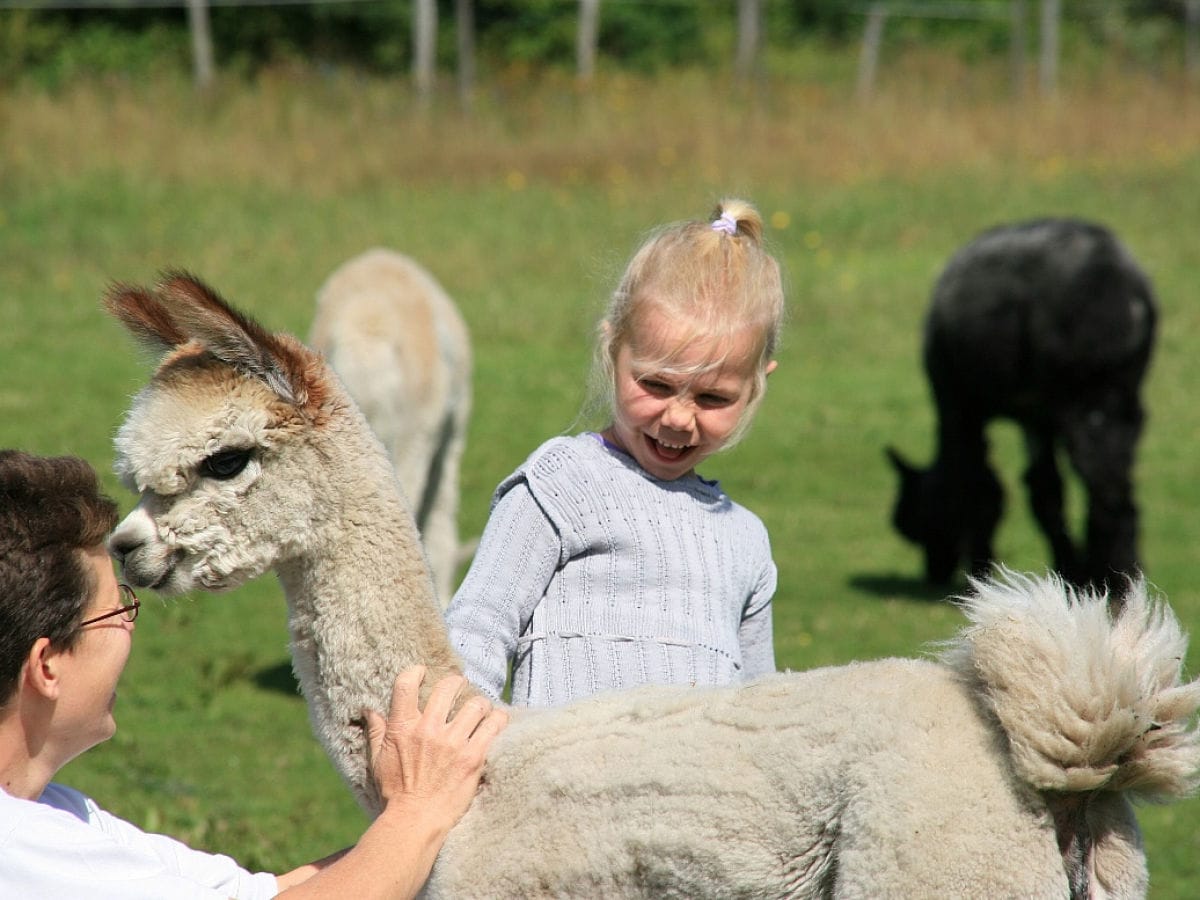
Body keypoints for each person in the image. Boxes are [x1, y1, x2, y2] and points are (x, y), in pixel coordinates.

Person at [0, 449, 507, 899]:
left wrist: (434, 825)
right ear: (46, 666)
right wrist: (416, 814)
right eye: (118, 611)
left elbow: (260, 893)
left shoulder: (57, 814)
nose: (132, 627)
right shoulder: (24, 847)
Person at [446, 198, 785, 707]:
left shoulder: (746, 543)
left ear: (757, 386)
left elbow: (761, 712)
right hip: (557, 784)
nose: (678, 418)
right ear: (613, 349)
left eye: (713, 397)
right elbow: (474, 637)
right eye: (655, 383)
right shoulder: (560, 486)